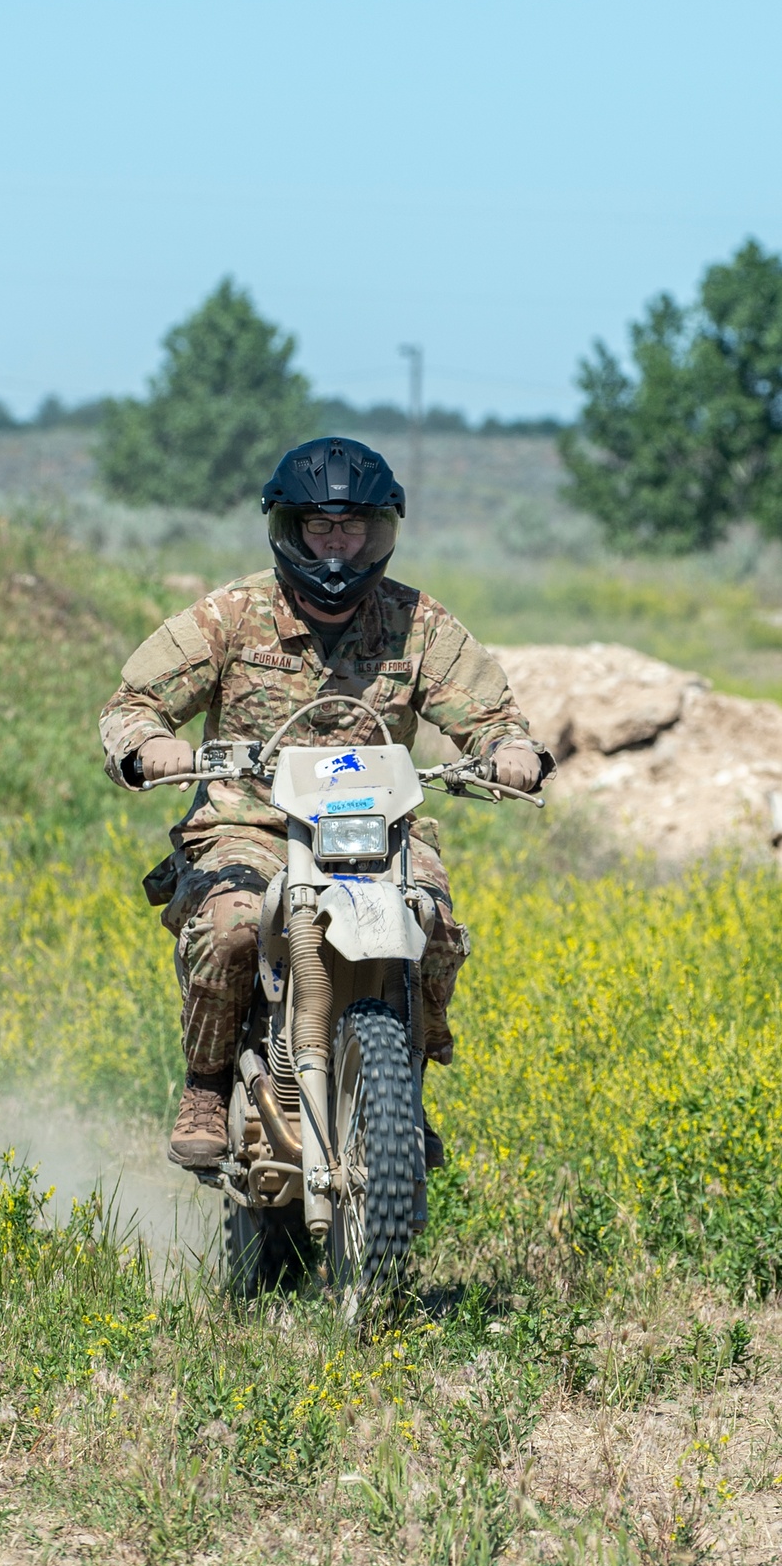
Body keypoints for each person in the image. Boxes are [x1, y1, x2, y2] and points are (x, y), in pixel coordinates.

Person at [100, 437, 547, 1171]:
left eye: (353, 528)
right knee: (234, 927)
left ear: (380, 532)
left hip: (378, 829)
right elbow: (134, 701)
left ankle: (402, 1091)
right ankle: (207, 1083)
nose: (338, 545)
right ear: (291, 529)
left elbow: (493, 717)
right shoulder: (232, 615)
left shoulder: (418, 623)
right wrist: (150, 745)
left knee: (430, 924)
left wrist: (513, 752)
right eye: (321, 527)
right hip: (250, 824)